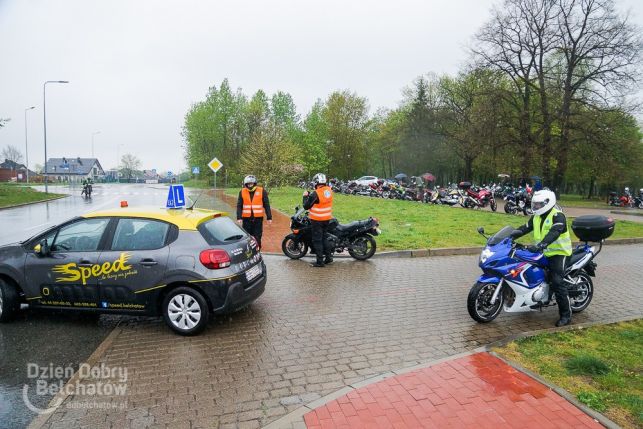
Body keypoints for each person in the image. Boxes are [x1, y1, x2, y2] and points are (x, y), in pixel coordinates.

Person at [510, 189, 573, 327]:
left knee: (557, 281)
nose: (536, 207)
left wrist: (541, 245)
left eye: (538, 204)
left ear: (547, 203)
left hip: (560, 253)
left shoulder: (558, 216)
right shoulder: (536, 217)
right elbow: (524, 228)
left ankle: (566, 315)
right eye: (535, 204)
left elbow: (554, 233)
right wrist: (510, 235)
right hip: (543, 252)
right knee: (526, 269)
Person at [303, 173, 334, 267]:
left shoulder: (315, 193)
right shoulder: (329, 190)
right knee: (324, 238)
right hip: (327, 218)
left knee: (317, 240)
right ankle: (328, 258)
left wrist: (305, 196)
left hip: (317, 220)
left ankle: (320, 262)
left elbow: (306, 206)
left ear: (316, 182)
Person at [236, 175, 272, 249]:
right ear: (246, 184)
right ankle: (248, 251)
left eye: (251, 184)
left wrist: (269, 217)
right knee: (247, 236)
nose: (250, 185)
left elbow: (266, 205)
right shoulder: (242, 191)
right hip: (246, 219)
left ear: (254, 183)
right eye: (248, 184)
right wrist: (239, 217)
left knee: (257, 236)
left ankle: (257, 250)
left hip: (258, 219)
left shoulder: (262, 191)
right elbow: (239, 205)